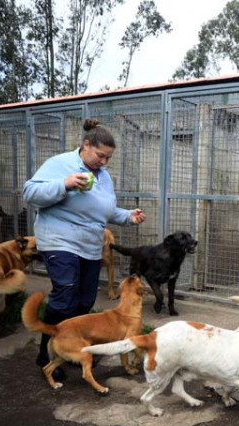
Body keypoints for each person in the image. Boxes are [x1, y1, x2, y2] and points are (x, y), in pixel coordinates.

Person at [23, 118, 146, 377]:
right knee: (65, 297)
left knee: (85, 300)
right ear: (86, 145)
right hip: (60, 240)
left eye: (108, 159)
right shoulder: (60, 164)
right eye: (100, 156)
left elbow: (104, 210)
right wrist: (64, 184)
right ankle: (47, 353)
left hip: (90, 245)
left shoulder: (103, 176)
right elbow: (30, 193)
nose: (103, 162)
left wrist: (127, 216)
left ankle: (71, 348)